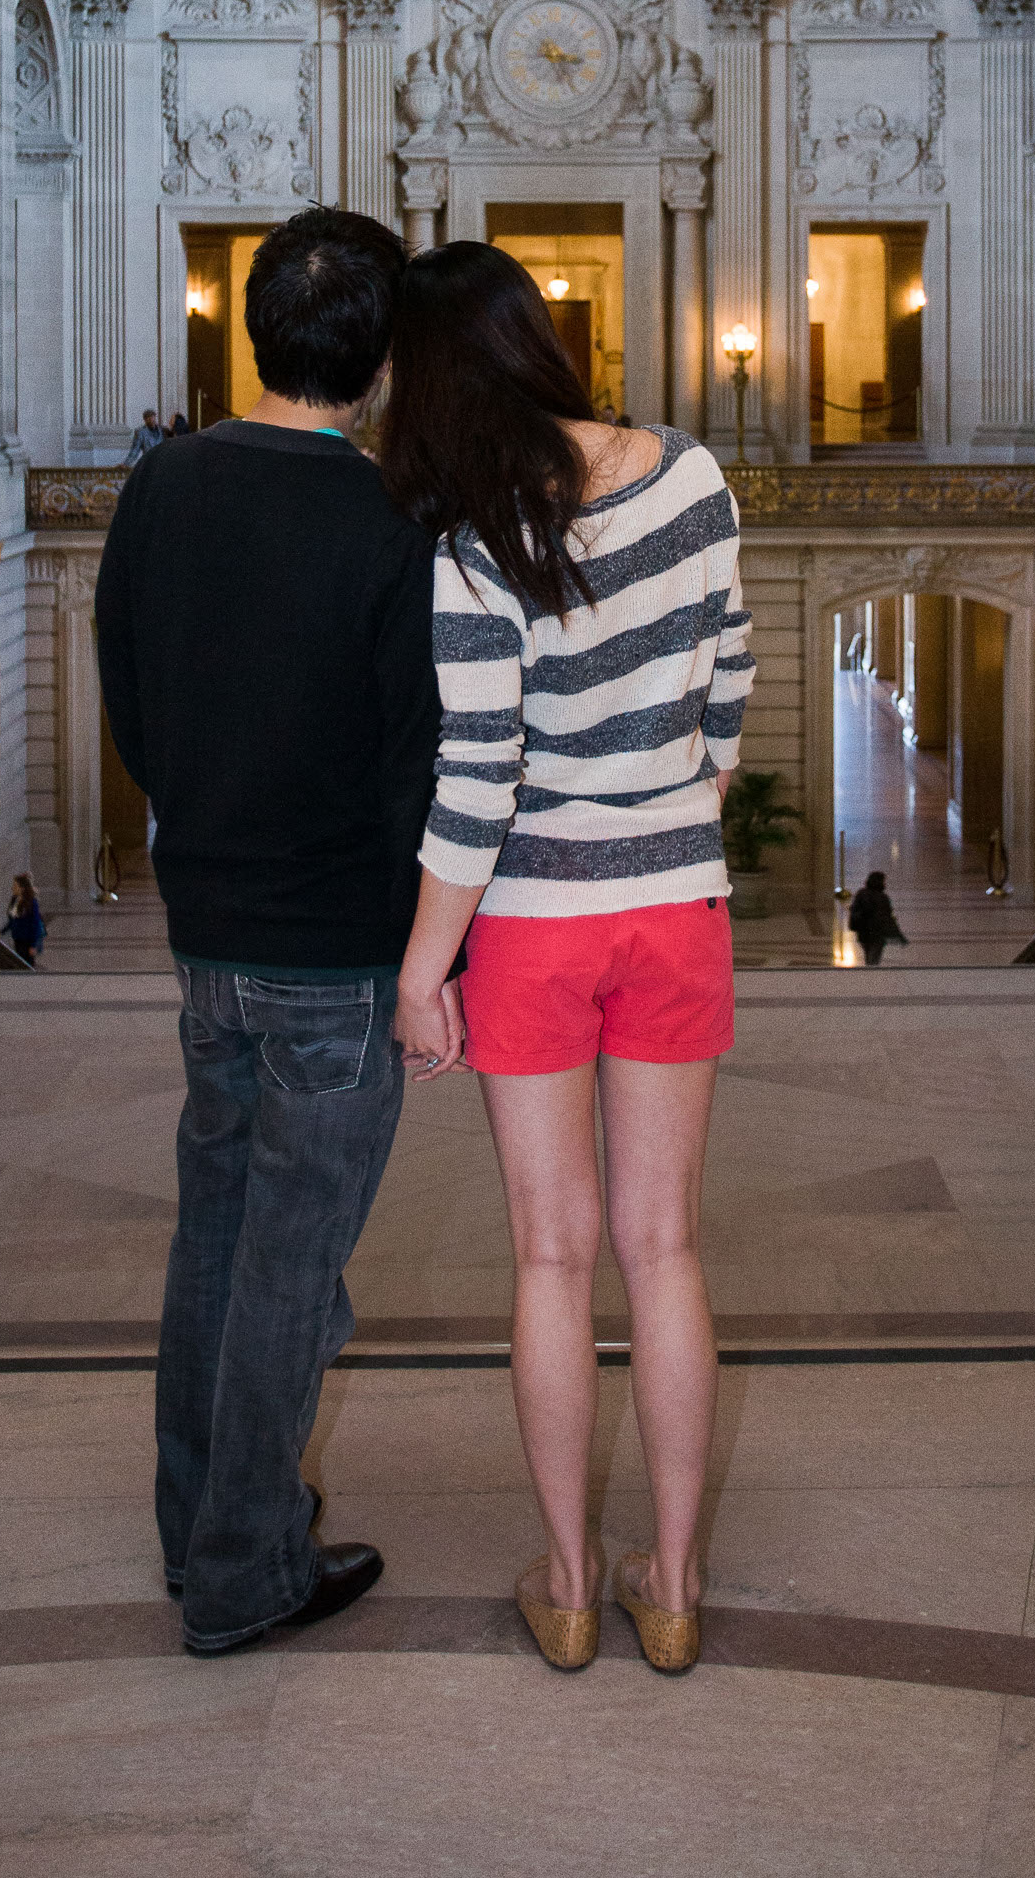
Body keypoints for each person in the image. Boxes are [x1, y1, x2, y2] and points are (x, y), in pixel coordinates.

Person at [384, 242, 754, 1678]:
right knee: (663, 1245)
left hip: (532, 921)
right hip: (675, 906)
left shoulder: (472, 539)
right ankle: (671, 1578)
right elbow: (727, 686)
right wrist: (677, 805)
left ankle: (568, 1576)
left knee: (551, 1250)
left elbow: (477, 776)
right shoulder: (692, 477)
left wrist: (426, 968)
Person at [95, 208, 442, 1658]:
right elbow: (410, 764)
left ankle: (198, 1521)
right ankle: (244, 1564)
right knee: (294, 1261)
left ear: (250, 330)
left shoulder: (160, 483)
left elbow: (126, 688)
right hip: (335, 956)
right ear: (376, 368)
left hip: (208, 936)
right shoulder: (386, 524)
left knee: (214, 1234)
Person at [848, 868, 908, 966]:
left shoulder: (861, 894)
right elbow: (887, 917)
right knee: (874, 957)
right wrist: (898, 935)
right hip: (878, 933)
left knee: (869, 955)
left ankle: (869, 974)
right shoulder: (882, 898)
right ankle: (872, 976)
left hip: (864, 932)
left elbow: (855, 910)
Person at [4, 873, 46, 965]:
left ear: (22, 888)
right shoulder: (15, 900)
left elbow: (34, 924)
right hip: (17, 938)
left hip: (27, 940)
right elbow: (12, 919)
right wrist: (4, 930)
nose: (12, 888)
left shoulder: (32, 902)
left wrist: (33, 945)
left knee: (27, 964)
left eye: (15, 886)